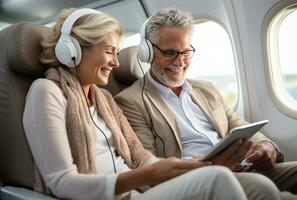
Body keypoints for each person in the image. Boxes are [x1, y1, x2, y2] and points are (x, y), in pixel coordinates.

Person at [22, 7, 257, 200]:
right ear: (72, 51)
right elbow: (61, 182)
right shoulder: (47, 92)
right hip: (117, 195)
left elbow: (139, 157)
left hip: (134, 193)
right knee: (217, 179)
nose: (115, 63)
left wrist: (185, 166)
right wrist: (146, 176)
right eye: (110, 52)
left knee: (253, 185)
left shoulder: (104, 99)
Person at [115, 8, 297, 199]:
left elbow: (241, 127)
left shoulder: (206, 89)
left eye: (185, 51)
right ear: (147, 53)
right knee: (269, 190)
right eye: (170, 53)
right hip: (198, 180)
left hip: (241, 168)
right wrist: (209, 165)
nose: (180, 61)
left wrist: (266, 146)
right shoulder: (130, 101)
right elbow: (148, 165)